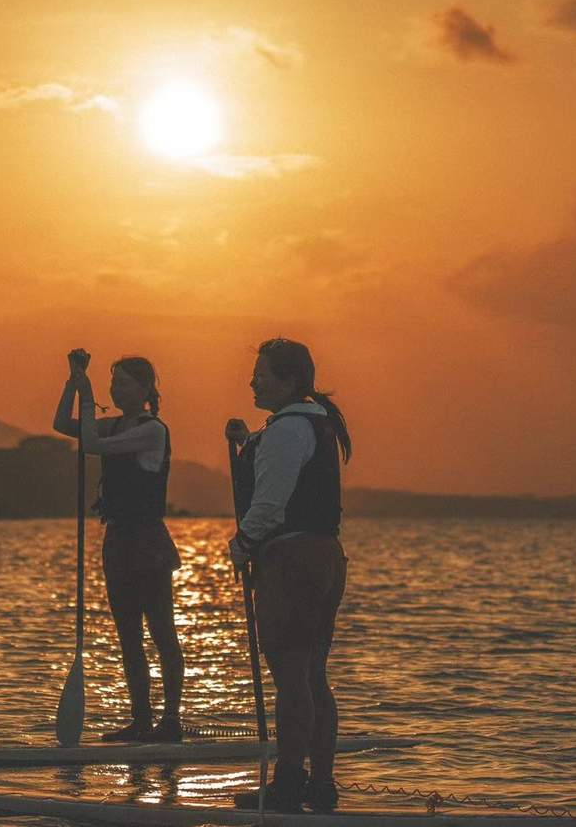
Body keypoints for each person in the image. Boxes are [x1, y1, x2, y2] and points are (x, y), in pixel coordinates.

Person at [225, 338, 351, 813]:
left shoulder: (289, 429)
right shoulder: (306, 424)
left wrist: (241, 545)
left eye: (262, 373)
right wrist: (244, 443)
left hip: (293, 561)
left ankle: (286, 787)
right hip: (325, 557)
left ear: (291, 379)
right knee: (312, 674)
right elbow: (277, 476)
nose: (252, 381)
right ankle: (319, 785)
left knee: (293, 676)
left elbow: (270, 504)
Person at [52, 348, 185, 742]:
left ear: (144, 389)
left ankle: (171, 721)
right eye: (113, 383)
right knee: (128, 633)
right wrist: (73, 384)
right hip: (119, 541)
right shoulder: (111, 426)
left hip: (148, 541)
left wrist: (89, 392)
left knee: (161, 632)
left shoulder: (151, 429)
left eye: (123, 382)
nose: (116, 388)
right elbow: (62, 424)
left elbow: (90, 444)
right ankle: (141, 721)